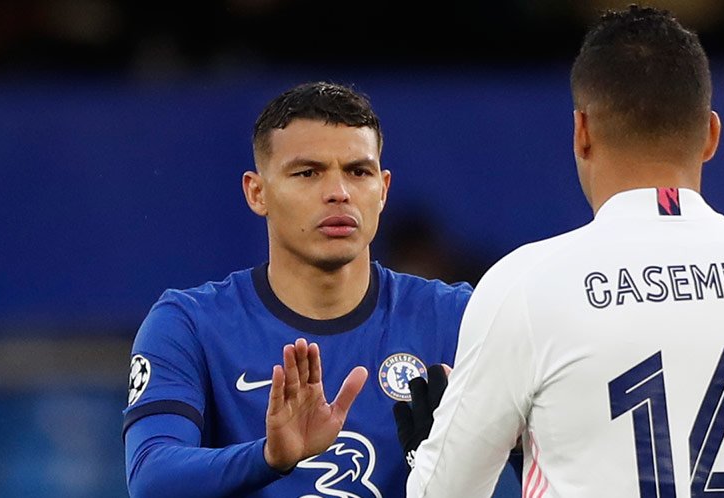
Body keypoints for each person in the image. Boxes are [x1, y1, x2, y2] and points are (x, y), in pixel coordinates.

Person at [402, 6, 724, 497]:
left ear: (582, 132)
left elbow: (444, 492)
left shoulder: (525, 285)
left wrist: (425, 456)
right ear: (710, 135)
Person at [123, 82, 502, 498]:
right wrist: (269, 457)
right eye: (308, 172)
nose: (339, 192)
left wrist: (468, 462)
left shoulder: (460, 319)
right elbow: (150, 476)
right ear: (257, 192)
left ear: (384, 189)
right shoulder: (189, 324)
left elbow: (550, 459)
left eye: (359, 171)